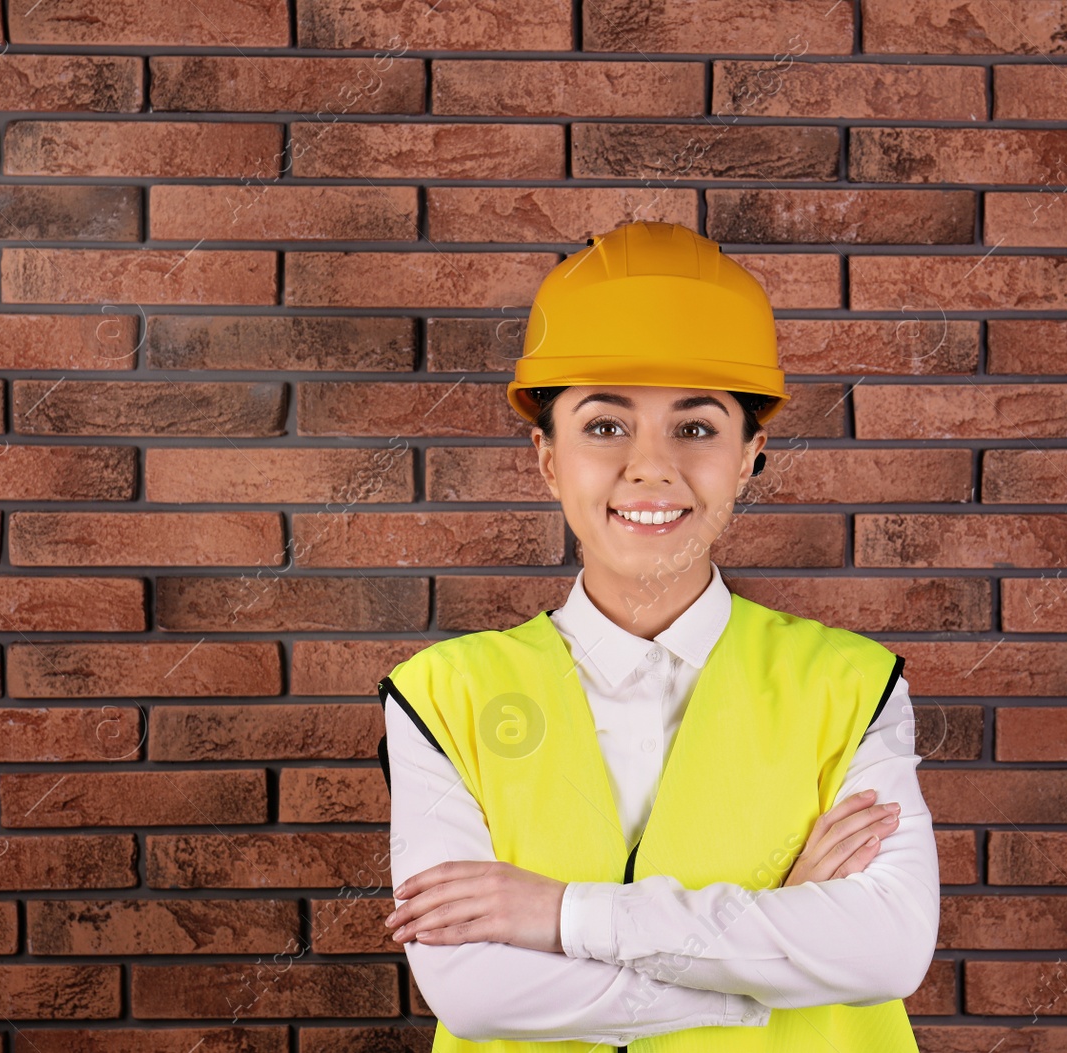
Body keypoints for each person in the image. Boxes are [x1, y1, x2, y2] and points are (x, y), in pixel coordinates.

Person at [375, 220, 939, 1051]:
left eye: (697, 427)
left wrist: (557, 913)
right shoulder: (441, 696)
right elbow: (479, 991)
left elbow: (886, 948)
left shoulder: (851, 686)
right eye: (605, 426)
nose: (650, 466)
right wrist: (769, 962)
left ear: (751, 454)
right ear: (547, 458)